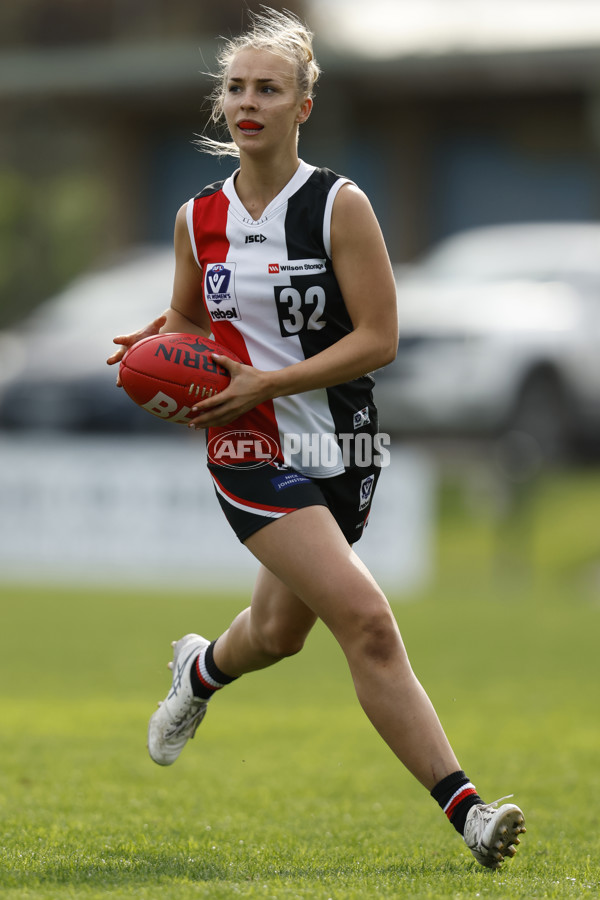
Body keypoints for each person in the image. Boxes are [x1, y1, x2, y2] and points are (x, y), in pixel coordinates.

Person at [107, 7, 525, 869]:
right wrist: (160, 347)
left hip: (344, 444)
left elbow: (379, 339)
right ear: (221, 104)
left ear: (304, 105)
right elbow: (192, 315)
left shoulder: (339, 205)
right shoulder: (198, 219)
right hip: (248, 446)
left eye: (269, 87)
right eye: (236, 87)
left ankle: (198, 673)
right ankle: (471, 813)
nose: (248, 101)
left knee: (277, 632)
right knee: (367, 623)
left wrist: (274, 377)